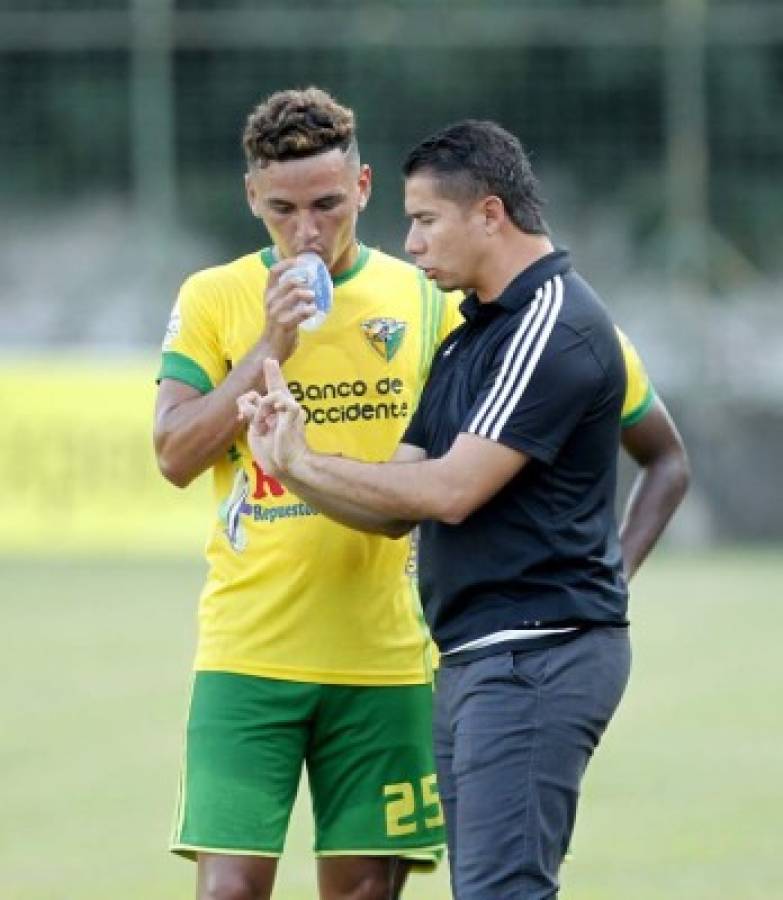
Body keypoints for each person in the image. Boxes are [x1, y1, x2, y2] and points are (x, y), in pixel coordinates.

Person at [237, 119, 689, 899]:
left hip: (533, 656)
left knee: (499, 892)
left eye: (423, 221)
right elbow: (392, 507)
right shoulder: (469, 336)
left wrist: (606, 582)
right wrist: (289, 463)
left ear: (488, 214)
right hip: (480, 658)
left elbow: (449, 492)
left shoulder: (551, 324)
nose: (409, 245)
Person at [153, 88, 464, 900]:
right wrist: (270, 345)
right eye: (283, 209)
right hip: (247, 650)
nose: (307, 231)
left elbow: (445, 469)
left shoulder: (426, 298)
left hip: (385, 656)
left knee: (364, 892)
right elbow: (175, 454)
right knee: (229, 892)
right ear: (252, 196)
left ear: (361, 189)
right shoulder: (213, 297)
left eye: (327, 204)